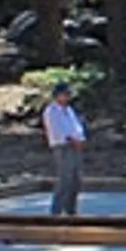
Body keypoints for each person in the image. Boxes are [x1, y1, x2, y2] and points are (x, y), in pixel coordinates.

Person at [42, 81, 87, 217]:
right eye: (64, 94)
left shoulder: (68, 110)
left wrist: (80, 138)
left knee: (76, 179)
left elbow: (76, 126)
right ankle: (56, 212)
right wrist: (71, 139)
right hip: (63, 147)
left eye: (68, 94)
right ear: (57, 95)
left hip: (75, 146)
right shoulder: (51, 111)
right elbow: (57, 130)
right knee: (64, 179)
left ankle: (71, 210)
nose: (67, 97)